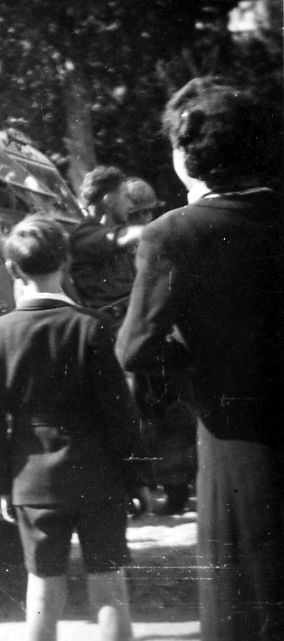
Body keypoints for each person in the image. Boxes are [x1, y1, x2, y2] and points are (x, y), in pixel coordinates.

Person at [116, 77, 284, 641]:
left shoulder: (174, 234)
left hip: (235, 445)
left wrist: (191, 375)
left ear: (189, 154)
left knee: (245, 607)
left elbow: (135, 349)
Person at [0, 216, 150, 641]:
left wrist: (3, 485)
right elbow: (120, 412)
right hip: (98, 476)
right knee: (109, 587)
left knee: (43, 587)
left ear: (13, 270)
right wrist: (137, 478)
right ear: (67, 265)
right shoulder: (92, 327)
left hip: (32, 484)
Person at [68, 166, 143, 316]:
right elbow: (116, 237)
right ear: (108, 200)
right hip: (111, 325)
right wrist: (158, 230)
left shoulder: (111, 232)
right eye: (125, 196)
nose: (131, 205)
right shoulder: (83, 235)